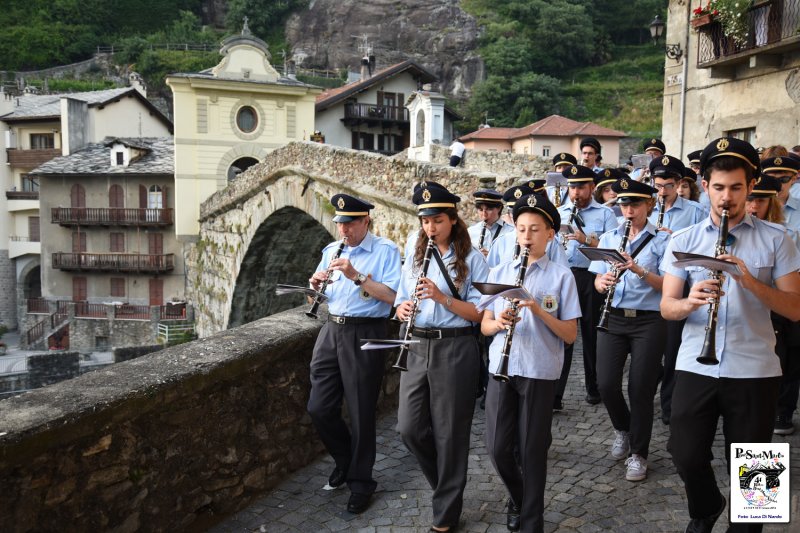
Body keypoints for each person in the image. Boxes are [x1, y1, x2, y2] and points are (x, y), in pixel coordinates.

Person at [660, 137, 800, 533]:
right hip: (694, 364)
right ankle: (706, 507)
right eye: (719, 187)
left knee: (756, 475)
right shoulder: (683, 241)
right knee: (684, 452)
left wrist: (747, 279)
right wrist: (689, 302)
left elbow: (794, 307)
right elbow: (667, 307)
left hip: (755, 367)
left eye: (736, 187)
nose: (727, 197)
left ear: (751, 185)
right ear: (704, 186)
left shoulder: (777, 239)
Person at [482, 193, 580, 533]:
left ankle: (531, 524)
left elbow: (570, 334)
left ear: (549, 234)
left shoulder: (560, 277)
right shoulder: (499, 271)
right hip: (502, 368)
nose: (526, 236)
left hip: (539, 370)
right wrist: (499, 323)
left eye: (534, 229)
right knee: (496, 448)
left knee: (531, 451)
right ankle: (521, 498)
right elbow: (484, 324)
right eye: (521, 228)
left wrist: (538, 310)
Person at [395, 182, 488, 532]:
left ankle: (446, 512)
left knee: (450, 432)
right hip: (417, 343)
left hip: (455, 346)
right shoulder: (414, 247)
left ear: (452, 219)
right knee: (409, 427)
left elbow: (480, 314)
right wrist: (401, 306)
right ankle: (447, 489)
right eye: (425, 221)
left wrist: (441, 297)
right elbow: (402, 293)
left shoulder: (472, 258)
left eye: (436, 220)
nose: (430, 228)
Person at [306, 194, 402, 514]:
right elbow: (318, 296)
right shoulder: (331, 250)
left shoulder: (385, 251)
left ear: (365, 222)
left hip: (366, 331)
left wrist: (356, 275)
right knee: (319, 407)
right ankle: (345, 461)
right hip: (332, 329)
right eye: (340, 224)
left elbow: (392, 298)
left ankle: (361, 483)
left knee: (361, 411)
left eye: (349, 224)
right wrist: (314, 285)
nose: (343, 231)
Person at [590, 176, 668, 482]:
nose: (629, 210)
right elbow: (596, 280)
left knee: (640, 388)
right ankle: (623, 428)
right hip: (614, 317)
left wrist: (639, 269)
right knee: (606, 383)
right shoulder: (610, 237)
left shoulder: (662, 240)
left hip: (649, 319)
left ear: (649, 204)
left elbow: (668, 285)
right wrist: (603, 282)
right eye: (624, 203)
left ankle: (639, 452)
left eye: (635, 203)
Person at [647, 155, 708, 426]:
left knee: (674, 349)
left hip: (684, 284)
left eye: (668, 186)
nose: (662, 192)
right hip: (653, 286)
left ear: (680, 184)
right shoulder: (645, 207)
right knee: (655, 350)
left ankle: (670, 405)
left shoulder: (695, 211)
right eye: (658, 185)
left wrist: (675, 239)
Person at [556, 165, 618, 407]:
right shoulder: (560, 212)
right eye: (572, 187)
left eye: (581, 187)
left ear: (592, 187)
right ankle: (555, 394)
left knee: (592, 334)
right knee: (562, 334)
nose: (576, 192)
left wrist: (586, 239)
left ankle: (594, 388)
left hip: (591, 277)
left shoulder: (605, 214)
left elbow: (613, 249)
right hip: (564, 275)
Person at [468, 189, 513, 256]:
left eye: (489, 209)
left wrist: (491, 258)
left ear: (499, 208)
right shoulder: (470, 232)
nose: (484, 215)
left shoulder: (511, 231)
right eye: (480, 210)